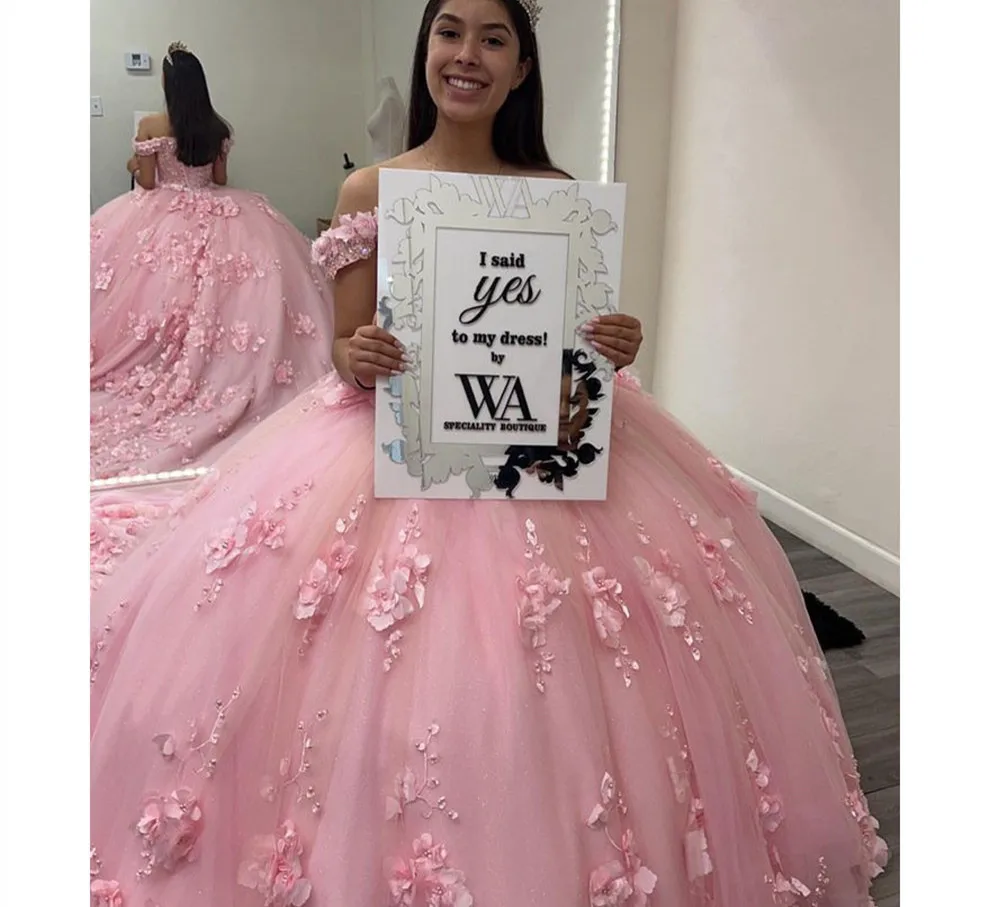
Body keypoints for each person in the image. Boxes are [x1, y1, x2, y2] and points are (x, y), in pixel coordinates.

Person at [89, 4, 886, 905]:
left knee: (568, 685)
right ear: (425, 49)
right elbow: (348, 342)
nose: (467, 55)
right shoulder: (374, 191)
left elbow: (565, 347)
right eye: (450, 32)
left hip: (537, 453)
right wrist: (361, 356)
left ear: (518, 67)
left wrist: (609, 342)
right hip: (393, 452)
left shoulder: (556, 192)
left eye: (493, 39)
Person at [90, 42, 335, 480]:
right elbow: (219, 180)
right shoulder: (217, 127)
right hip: (217, 208)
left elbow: (146, 184)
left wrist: (141, 159)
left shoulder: (151, 124)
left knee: (152, 291)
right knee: (225, 295)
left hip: (163, 211)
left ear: (169, 85)